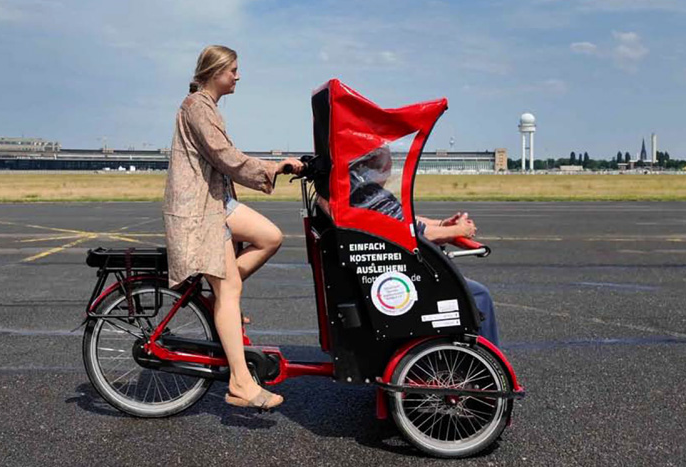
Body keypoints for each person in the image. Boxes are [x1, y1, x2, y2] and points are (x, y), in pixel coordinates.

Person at [163, 45, 302, 410]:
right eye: (234, 70)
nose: (238, 77)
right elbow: (226, 157)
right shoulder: (197, 108)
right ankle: (241, 383)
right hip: (202, 210)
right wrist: (273, 168)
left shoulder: (206, 108)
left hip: (218, 203)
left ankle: (220, 299)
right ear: (216, 71)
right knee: (230, 292)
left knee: (270, 237)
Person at [320, 146, 500, 345]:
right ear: (372, 165)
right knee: (478, 294)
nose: (390, 166)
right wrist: (458, 232)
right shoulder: (365, 195)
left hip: (386, 269)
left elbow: (404, 220)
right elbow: (412, 233)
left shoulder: (357, 189)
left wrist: (442, 225)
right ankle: (487, 356)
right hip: (397, 273)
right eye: (387, 161)